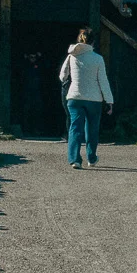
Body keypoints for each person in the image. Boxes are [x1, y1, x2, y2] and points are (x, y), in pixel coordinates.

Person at [58, 28, 113, 168]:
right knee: (92, 128)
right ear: (93, 42)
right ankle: (91, 158)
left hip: (74, 97)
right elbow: (103, 80)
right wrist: (109, 100)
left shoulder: (72, 56)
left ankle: (74, 159)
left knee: (75, 127)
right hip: (94, 99)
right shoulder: (98, 59)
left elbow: (62, 75)